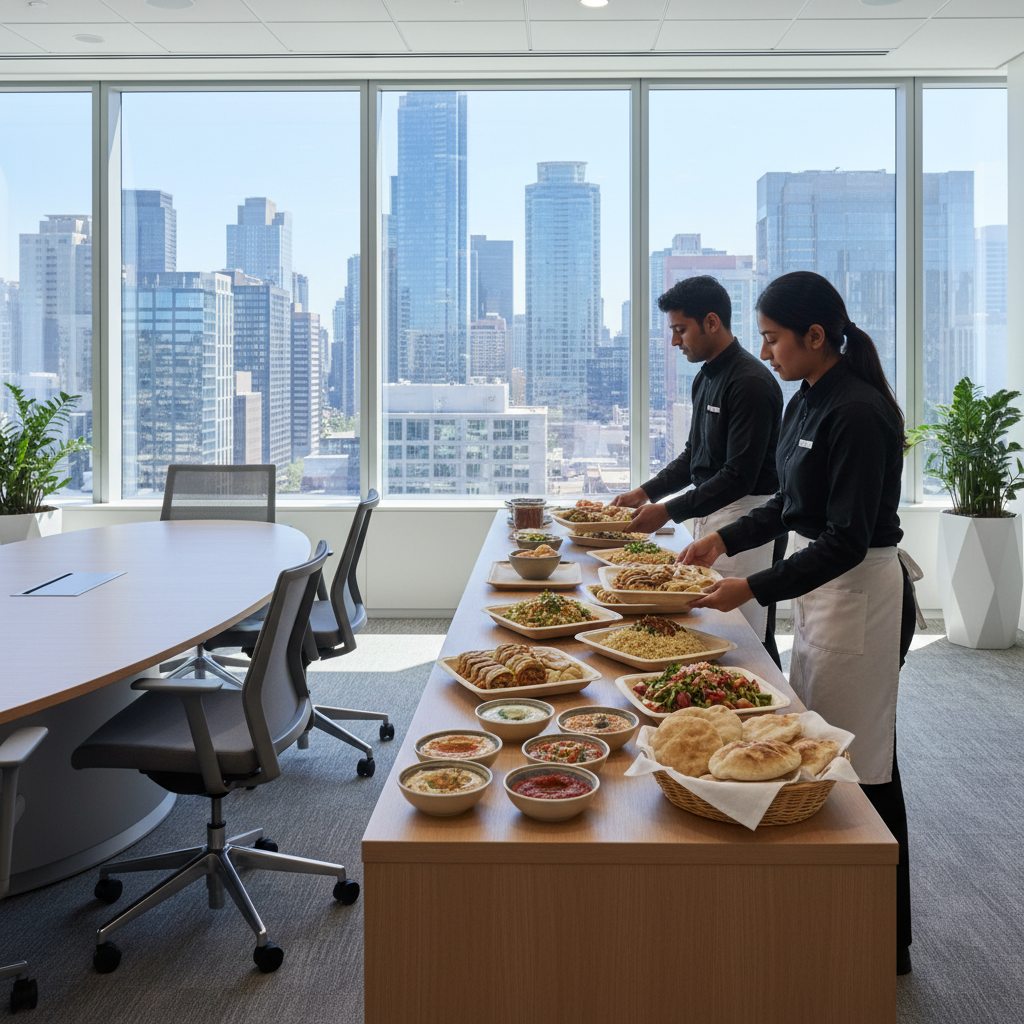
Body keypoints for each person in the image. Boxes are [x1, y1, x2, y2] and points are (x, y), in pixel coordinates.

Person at [680, 270, 916, 976]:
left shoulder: (860, 412)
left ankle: (884, 938)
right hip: (824, 592)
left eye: (775, 338)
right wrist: (722, 540)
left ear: (816, 336)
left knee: (860, 767)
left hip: (860, 598)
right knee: (818, 750)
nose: (768, 351)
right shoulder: (806, 400)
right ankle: (837, 921)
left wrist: (751, 586)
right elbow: (788, 501)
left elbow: (845, 539)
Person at [612, 275, 785, 664]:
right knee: (707, 631)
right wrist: (646, 493)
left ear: (711, 322)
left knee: (744, 636)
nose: (675, 341)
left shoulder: (751, 383)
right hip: (710, 512)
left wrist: (668, 511)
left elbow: (738, 475)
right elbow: (694, 456)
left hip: (748, 517)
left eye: (680, 330)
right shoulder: (705, 377)